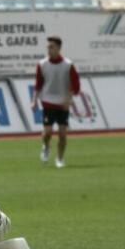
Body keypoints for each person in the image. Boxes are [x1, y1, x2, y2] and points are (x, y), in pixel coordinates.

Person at [30, 36, 82, 168]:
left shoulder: (68, 65)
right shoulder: (42, 64)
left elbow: (75, 85)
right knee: (47, 132)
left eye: (52, 47)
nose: (49, 49)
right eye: (48, 47)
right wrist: (34, 101)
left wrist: (69, 100)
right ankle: (46, 146)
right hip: (48, 101)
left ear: (59, 48)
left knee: (63, 134)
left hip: (63, 102)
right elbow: (38, 84)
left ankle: (60, 158)